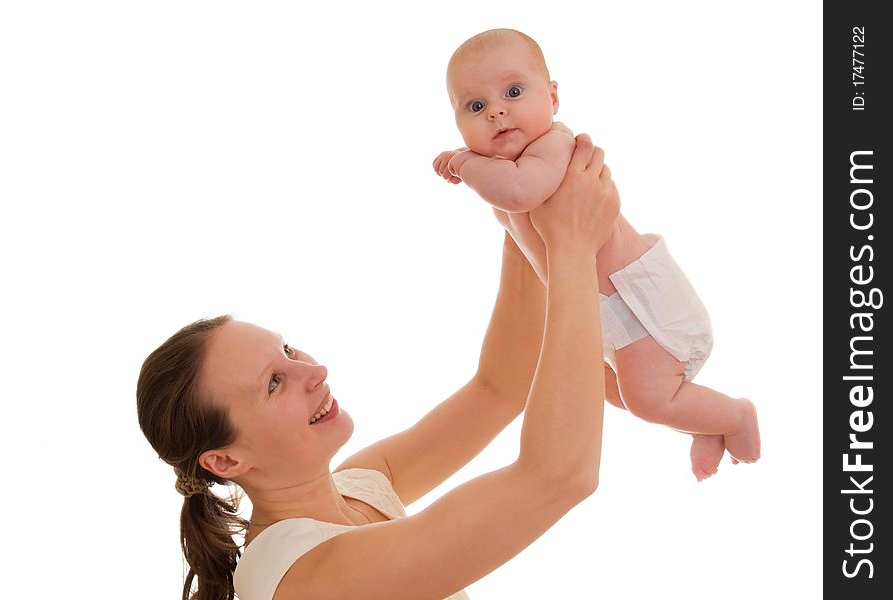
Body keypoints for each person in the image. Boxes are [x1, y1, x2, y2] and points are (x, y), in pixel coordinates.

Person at [137, 135, 620, 600]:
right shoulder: (297, 577)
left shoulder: (361, 486)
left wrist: (523, 210)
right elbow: (559, 475)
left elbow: (501, 386)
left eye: (287, 351)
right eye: (275, 383)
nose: (316, 372)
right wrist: (570, 247)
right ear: (225, 461)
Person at [433, 28, 760, 481]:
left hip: (642, 304)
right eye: (475, 106)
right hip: (608, 314)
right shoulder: (507, 165)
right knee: (614, 392)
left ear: (552, 97)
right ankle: (699, 422)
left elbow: (519, 192)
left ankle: (736, 416)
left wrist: (466, 163)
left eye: (512, 92)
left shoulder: (553, 147)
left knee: (647, 398)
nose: (497, 111)